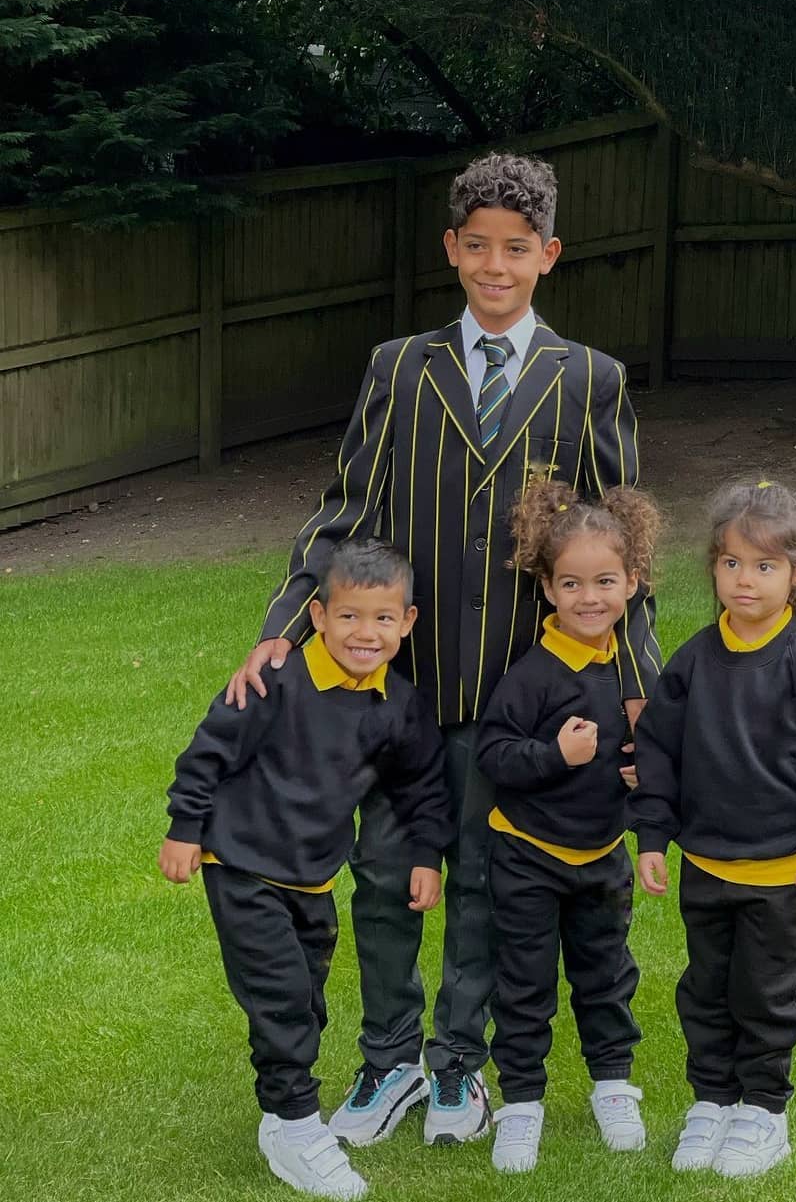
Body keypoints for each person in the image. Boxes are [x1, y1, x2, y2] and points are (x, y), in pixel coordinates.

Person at [225, 152, 661, 1148]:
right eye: (478, 247)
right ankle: (390, 1062)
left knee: (485, 885)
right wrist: (280, 630)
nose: (495, 266)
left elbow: (620, 552)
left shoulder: (589, 380)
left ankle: (460, 1066)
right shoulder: (399, 368)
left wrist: (639, 685)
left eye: (517, 249)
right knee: (385, 873)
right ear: (452, 250)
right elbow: (345, 512)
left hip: (523, 697)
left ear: (548, 254)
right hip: (401, 692)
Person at [159, 540, 452, 1200]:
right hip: (241, 864)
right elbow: (207, 752)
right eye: (349, 616)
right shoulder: (274, 681)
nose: (365, 633)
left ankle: (278, 1114)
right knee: (282, 996)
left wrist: (425, 856)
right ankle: (297, 1126)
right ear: (318, 615)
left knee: (306, 1004)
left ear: (407, 622)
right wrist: (184, 828)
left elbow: (422, 787)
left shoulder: (397, 704)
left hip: (312, 878)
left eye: (383, 618)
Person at [628, 480, 796, 1179]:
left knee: (764, 993)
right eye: (731, 562)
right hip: (707, 867)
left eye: (764, 565)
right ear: (713, 567)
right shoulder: (694, 660)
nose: (745, 579)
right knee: (705, 989)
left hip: (783, 874)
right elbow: (657, 750)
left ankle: (764, 1111)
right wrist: (652, 836)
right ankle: (713, 1099)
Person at [475, 478, 661, 1173]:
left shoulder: (629, 675)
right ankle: (521, 1104)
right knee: (524, 987)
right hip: (528, 857)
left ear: (631, 583)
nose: (590, 597)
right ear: (548, 589)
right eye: (573, 583)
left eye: (605, 581)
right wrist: (556, 754)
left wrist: (640, 775)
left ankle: (613, 1087)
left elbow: (647, 759)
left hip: (602, 857)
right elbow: (494, 753)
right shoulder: (534, 674)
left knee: (606, 978)